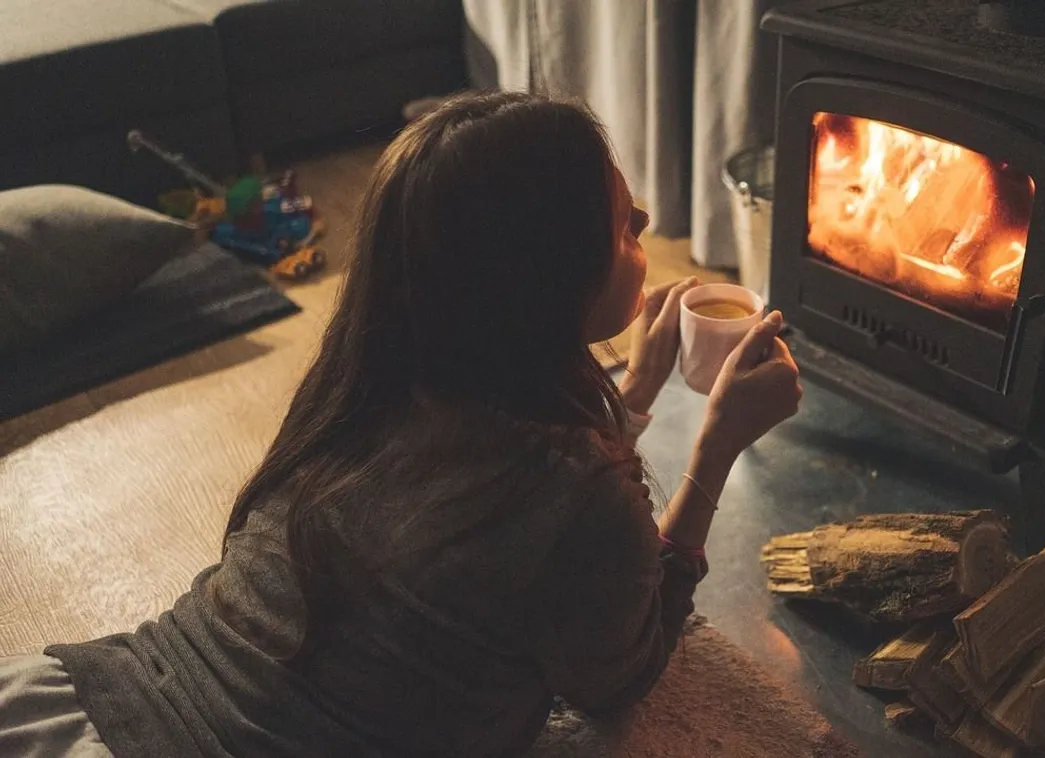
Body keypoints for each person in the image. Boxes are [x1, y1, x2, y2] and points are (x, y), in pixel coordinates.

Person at [0, 91, 802, 757]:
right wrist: (716, 448)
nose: (647, 218)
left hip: (106, 701)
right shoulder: (580, 501)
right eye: (624, 223)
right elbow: (619, 675)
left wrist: (633, 392)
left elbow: (508, 520)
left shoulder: (364, 382)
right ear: (544, 278)